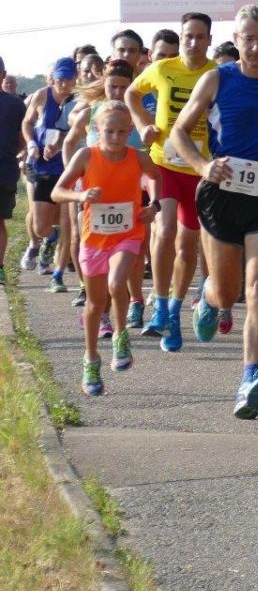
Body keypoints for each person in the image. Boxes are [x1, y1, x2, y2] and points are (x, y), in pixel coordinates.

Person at [172, 4, 258, 418]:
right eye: (248, 39)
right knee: (227, 292)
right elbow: (179, 131)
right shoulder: (217, 79)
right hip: (223, 191)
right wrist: (202, 166)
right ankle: (207, 298)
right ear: (236, 40)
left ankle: (250, 377)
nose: (255, 47)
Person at [52, 100, 160, 395]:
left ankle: (121, 335)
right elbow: (58, 191)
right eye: (109, 131)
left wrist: (154, 204)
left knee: (117, 282)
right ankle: (91, 358)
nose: (115, 137)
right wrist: (81, 195)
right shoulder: (86, 155)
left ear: (130, 131)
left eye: (122, 132)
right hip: (94, 239)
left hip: (128, 233)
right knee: (95, 303)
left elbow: (155, 176)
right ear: (97, 130)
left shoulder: (137, 157)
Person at [127, 12, 216, 351]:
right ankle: (160, 306)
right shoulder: (162, 68)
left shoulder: (217, 74)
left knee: (187, 245)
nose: (193, 42)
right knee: (164, 231)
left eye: (199, 36)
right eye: (187, 36)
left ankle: (175, 311)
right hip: (163, 164)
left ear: (209, 40)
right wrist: (142, 124)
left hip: (198, 171)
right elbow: (131, 94)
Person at [21, 57, 78, 290]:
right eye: (60, 79)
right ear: (53, 78)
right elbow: (27, 122)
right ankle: (48, 239)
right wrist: (31, 144)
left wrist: (61, 142)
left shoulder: (79, 100)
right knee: (40, 227)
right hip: (42, 166)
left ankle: (58, 274)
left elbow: (80, 130)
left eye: (68, 79)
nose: (64, 84)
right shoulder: (42, 95)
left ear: (75, 79)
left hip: (68, 166)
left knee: (67, 223)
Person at [0, 56, 25, 285]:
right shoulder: (16, 104)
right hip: (6, 168)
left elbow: (21, 138)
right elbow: (22, 140)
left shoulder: (16, 105)